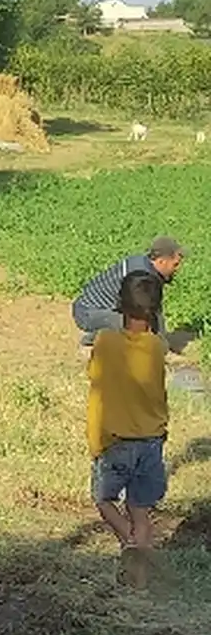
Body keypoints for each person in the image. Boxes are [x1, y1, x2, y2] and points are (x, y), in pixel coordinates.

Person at [87, 267, 170, 552]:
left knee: (104, 500)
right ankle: (141, 584)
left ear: (120, 305)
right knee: (141, 511)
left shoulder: (105, 341)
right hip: (151, 441)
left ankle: (129, 541)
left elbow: (94, 375)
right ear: (155, 309)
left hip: (115, 441)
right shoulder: (158, 346)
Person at [72, 237, 197, 352]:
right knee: (134, 328)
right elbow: (150, 311)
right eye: (175, 264)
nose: (177, 269)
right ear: (162, 261)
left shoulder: (144, 264)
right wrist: (161, 344)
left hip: (99, 309)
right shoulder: (142, 276)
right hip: (88, 312)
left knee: (140, 329)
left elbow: (154, 310)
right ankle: (97, 337)